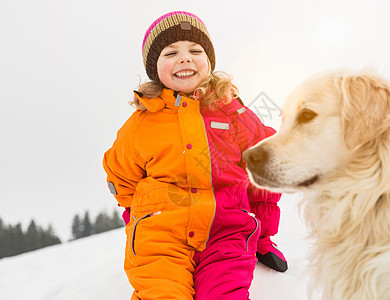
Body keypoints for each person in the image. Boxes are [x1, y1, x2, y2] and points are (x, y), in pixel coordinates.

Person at [103, 11, 287, 300]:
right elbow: (121, 177)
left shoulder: (234, 115)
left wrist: (263, 235)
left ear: (209, 62)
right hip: (160, 237)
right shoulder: (142, 123)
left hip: (225, 232)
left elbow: (263, 172)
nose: (185, 58)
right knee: (162, 294)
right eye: (171, 52)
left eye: (195, 50)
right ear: (155, 68)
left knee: (224, 293)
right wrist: (137, 219)